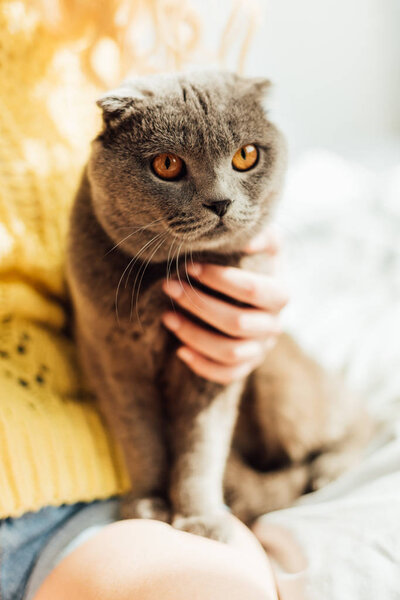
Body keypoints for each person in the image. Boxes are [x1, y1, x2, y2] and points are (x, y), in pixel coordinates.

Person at [0, 1, 292, 598]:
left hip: (92, 485)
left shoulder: (112, 26)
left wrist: (246, 315)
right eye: (169, 165)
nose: (219, 197)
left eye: (242, 162)